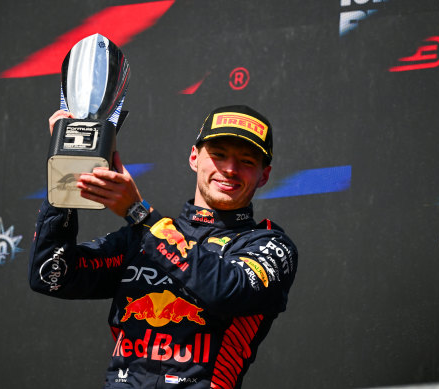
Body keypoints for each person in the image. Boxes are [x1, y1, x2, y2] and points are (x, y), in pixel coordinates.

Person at [29, 105, 298, 388]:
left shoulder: (269, 245)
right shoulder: (142, 236)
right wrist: (67, 179)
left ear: (264, 175)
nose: (230, 169)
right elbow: (52, 277)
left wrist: (139, 214)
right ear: (194, 158)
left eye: (246, 161)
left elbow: (225, 291)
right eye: (218, 155)